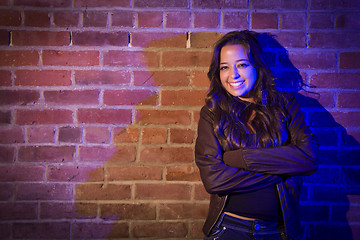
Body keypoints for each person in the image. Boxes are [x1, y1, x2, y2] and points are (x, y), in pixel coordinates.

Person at [195, 30, 319, 240]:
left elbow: (309, 157)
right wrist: (282, 171)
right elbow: (213, 180)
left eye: (242, 64)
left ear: (257, 66)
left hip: (278, 232)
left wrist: (240, 158)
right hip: (228, 229)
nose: (232, 75)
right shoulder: (213, 112)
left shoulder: (284, 104)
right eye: (224, 67)